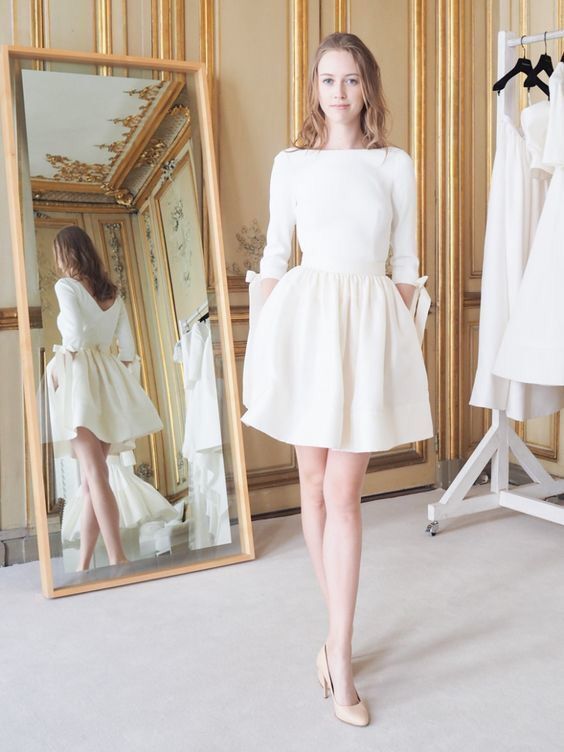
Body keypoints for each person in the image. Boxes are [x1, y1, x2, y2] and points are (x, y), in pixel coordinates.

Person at [241, 32, 433, 726]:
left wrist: (394, 350)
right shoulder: (290, 164)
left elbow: (406, 266)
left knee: (345, 493)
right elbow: (272, 252)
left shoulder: (394, 164)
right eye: (328, 80)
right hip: (306, 325)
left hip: (368, 327)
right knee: (314, 486)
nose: (340, 93)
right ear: (315, 89)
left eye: (351, 80)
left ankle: (338, 649)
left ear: (368, 87)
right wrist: (264, 343)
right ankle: (339, 642)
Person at [45, 225, 164, 571]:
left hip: (80, 378)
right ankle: (84, 562)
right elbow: (127, 350)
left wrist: (58, 364)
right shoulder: (113, 294)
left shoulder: (65, 286)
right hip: (109, 382)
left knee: (94, 476)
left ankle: (117, 557)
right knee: (90, 480)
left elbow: (74, 336)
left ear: (65, 254)